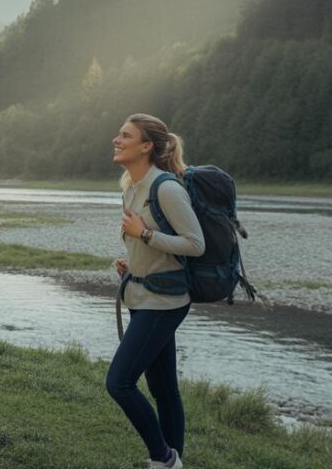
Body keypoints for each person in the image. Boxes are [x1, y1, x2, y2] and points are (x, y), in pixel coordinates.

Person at [108, 114, 205, 469]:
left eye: (125, 136)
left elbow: (196, 244)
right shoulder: (131, 187)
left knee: (119, 383)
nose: (116, 140)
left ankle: (162, 457)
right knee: (164, 390)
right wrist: (132, 263)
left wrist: (145, 236)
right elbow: (148, 244)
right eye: (118, 134)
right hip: (141, 295)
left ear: (146, 146)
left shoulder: (166, 188)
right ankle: (173, 463)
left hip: (164, 302)